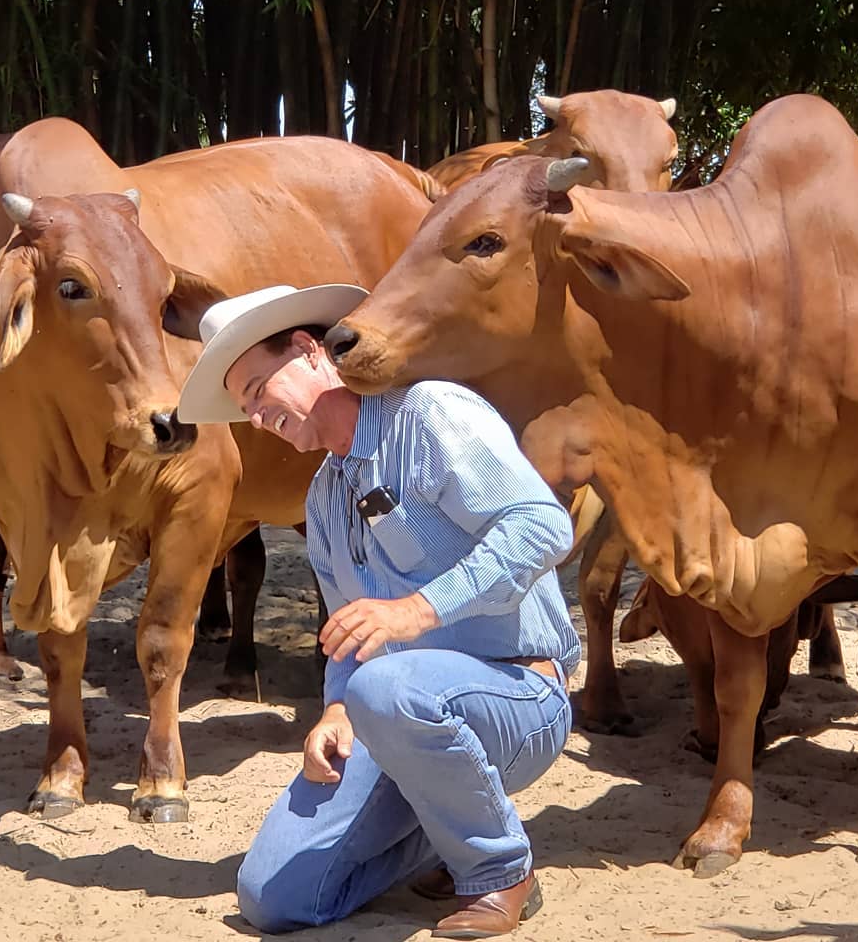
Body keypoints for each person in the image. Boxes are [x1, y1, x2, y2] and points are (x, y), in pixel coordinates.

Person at [177, 284, 579, 938]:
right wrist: (335, 709)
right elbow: (348, 641)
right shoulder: (323, 502)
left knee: (389, 687)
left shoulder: (430, 413)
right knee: (272, 897)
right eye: (244, 406)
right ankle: (451, 829)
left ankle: (500, 870)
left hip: (520, 697)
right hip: (393, 717)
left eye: (257, 389)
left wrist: (418, 611)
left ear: (310, 352)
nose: (254, 418)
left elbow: (542, 527)